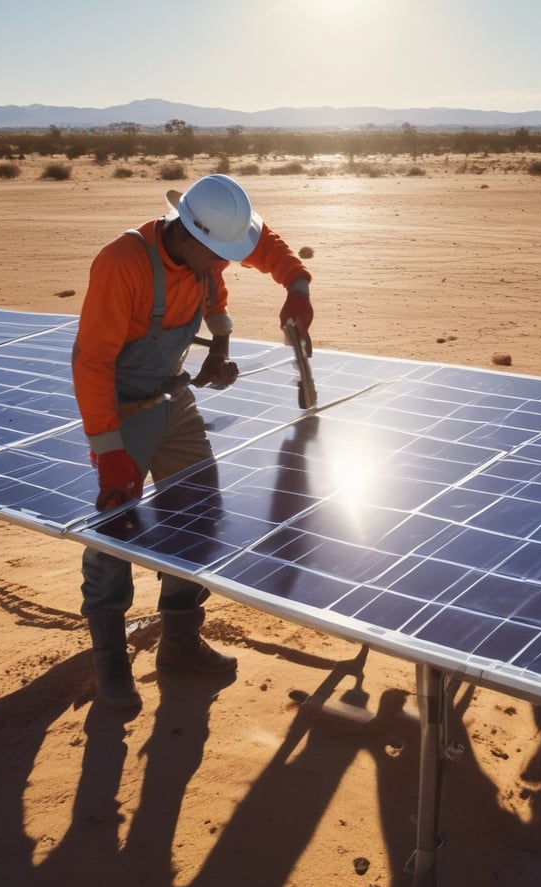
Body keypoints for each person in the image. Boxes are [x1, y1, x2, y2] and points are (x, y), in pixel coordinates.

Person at [72, 174, 313, 709]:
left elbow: (252, 256)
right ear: (189, 236)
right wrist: (109, 449)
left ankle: (179, 642)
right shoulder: (123, 264)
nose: (226, 262)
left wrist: (293, 289)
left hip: (173, 398)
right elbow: (91, 360)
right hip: (120, 408)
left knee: (197, 510)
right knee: (117, 525)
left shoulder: (208, 254)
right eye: (218, 254)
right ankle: (111, 659)